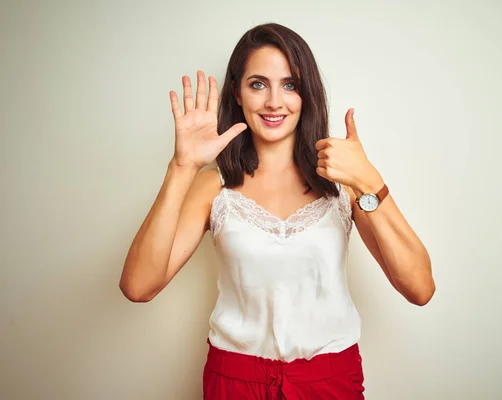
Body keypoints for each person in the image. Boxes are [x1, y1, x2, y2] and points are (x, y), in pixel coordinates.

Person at [119, 22, 435, 400]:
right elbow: (138, 286)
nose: (273, 102)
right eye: (257, 84)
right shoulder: (213, 184)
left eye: (289, 85)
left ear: (307, 94)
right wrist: (182, 168)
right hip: (234, 381)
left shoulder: (342, 181)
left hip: (330, 382)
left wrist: (370, 182)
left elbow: (420, 288)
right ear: (236, 92)